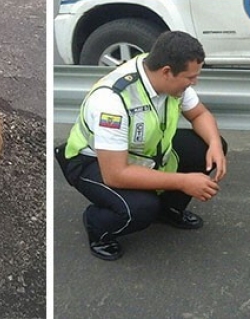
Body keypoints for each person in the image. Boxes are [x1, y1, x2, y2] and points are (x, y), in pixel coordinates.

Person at [55, 31, 228, 261]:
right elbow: (116, 174)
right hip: (92, 162)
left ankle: (168, 210)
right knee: (141, 207)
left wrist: (215, 143)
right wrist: (184, 182)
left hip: (142, 152)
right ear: (167, 72)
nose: (194, 82)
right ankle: (98, 227)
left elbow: (199, 114)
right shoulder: (112, 102)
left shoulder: (163, 72)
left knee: (206, 147)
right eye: (190, 78)